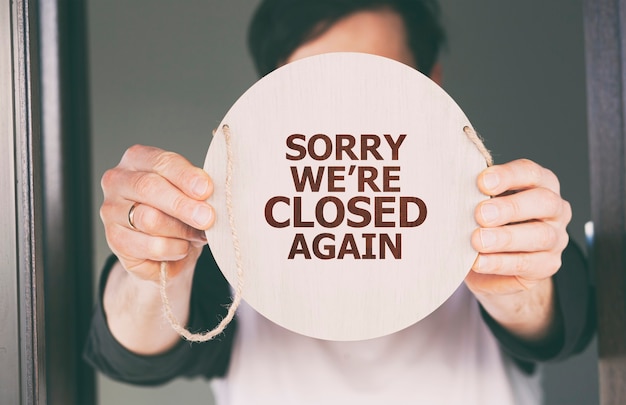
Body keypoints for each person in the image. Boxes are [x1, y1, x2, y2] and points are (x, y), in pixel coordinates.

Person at [84, 0, 595, 404]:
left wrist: (520, 287)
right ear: (270, 94)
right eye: (320, 84)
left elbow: (565, 326)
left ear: (432, 83)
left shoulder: (485, 212)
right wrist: (151, 266)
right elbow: (136, 356)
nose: (348, 113)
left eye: (377, 80)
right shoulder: (241, 227)